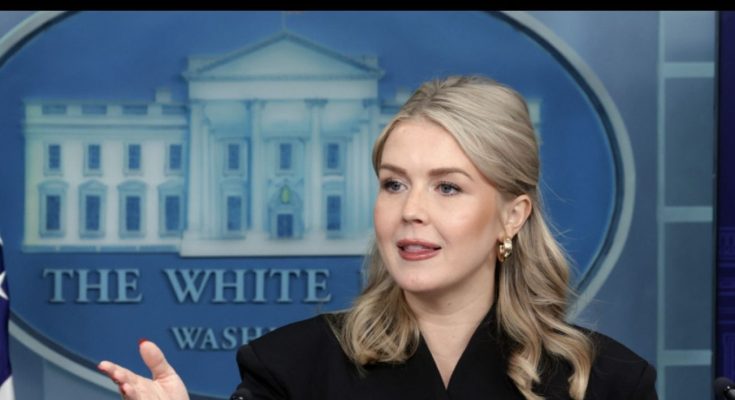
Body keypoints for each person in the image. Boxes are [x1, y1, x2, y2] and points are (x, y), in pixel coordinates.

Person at [98, 75, 657, 400]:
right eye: (394, 184)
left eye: (447, 187)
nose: (410, 211)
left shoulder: (610, 382)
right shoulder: (289, 368)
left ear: (513, 216)